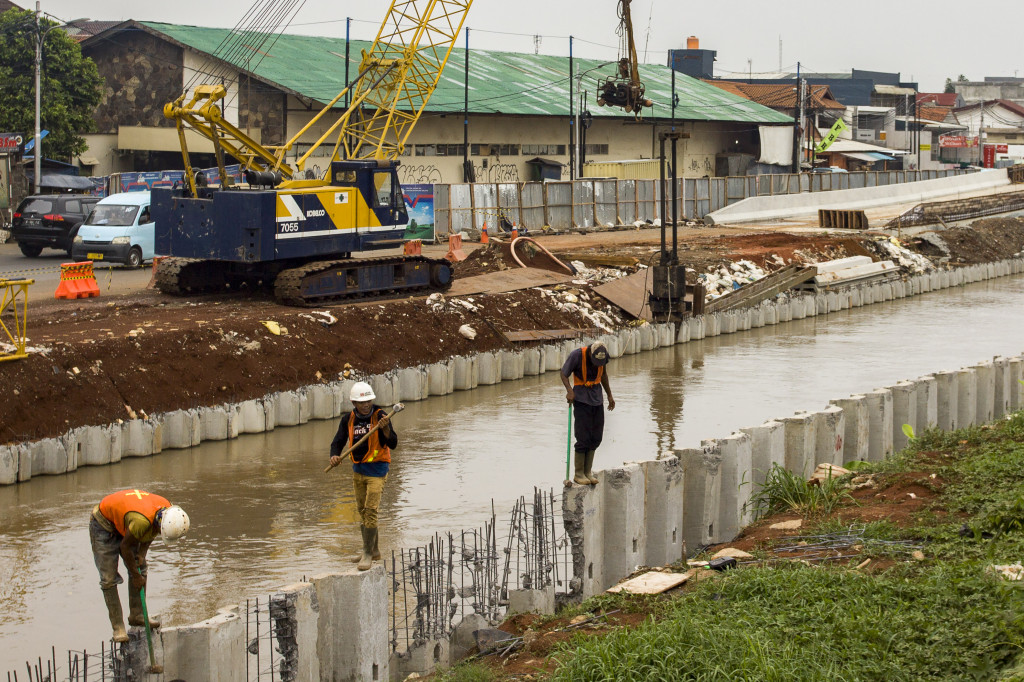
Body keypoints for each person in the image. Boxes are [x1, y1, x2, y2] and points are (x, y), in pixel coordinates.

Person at [89, 489, 190, 642]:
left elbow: (152, 531)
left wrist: (142, 553)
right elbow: (125, 547)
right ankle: (118, 628)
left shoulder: (167, 511)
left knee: (141, 567)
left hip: (129, 521)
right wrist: (135, 576)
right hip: (104, 524)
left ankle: (137, 615)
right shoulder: (141, 521)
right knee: (108, 578)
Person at [330, 382, 398, 571]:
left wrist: (385, 429)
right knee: (361, 510)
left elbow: (393, 443)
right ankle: (374, 550)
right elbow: (338, 441)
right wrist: (334, 456)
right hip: (358, 470)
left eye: (368, 401)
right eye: (361, 402)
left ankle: (367, 553)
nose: (366, 405)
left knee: (371, 511)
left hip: (377, 471)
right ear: (354, 403)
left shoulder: (381, 416)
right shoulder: (348, 419)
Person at [560, 340, 616, 485]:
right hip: (581, 400)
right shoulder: (577, 355)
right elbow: (564, 374)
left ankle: (587, 472)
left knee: (596, 437)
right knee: (583, 437)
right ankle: (579, 473)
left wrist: (609, 395)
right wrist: (570, 391)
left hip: (597, 399)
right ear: (591, 354)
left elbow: (603, 375)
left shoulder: (602, 356)